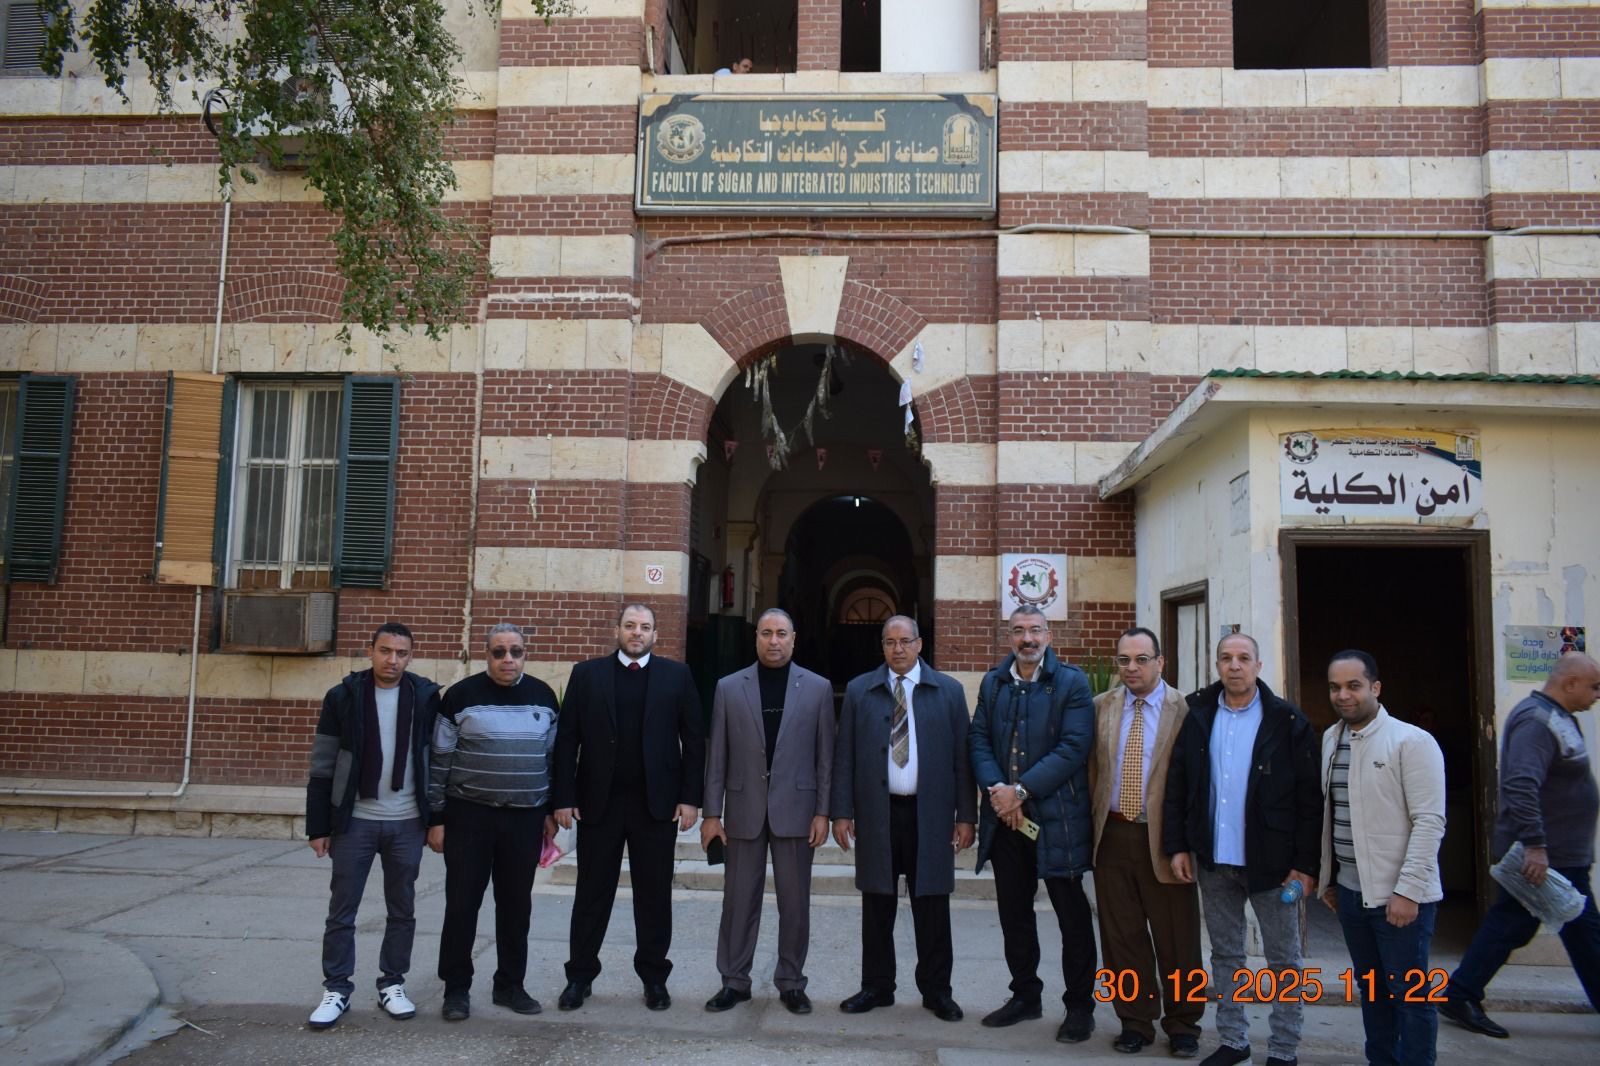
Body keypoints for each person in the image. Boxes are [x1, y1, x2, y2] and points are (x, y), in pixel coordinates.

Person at [1163, 633, 1321, 1066]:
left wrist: (1305, 865)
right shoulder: (1198, 714)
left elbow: (1310, 800)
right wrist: (1178, 846)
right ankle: (1234, 1042)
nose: (1234, 665)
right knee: (1227, 956)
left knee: (1284, 960)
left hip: (1274, 867)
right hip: (1215, 862)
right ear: (1217, 665)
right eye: (1226, 658)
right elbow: (1179, 783)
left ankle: (1284, 1049)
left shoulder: (1287, 720)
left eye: (1244, 658)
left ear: (1258, 665)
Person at [553, 603, 705, 1012]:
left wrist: (691, 798)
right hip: (597, 805)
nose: (637, 633)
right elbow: (567, 739)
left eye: (645, 627)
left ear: (656, 634)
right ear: (617, 630)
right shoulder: (587, 675)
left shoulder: (677, 676)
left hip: (656, 807)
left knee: (653, 897)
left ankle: (654, 979)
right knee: (591, 894)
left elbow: (694, 740)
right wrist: (564, 797)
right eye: (630, 625)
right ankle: (579, 977)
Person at [1441, 651, 1600, 1038]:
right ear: (1570, 683)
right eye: (1594, 686)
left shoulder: (1560, 717)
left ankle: (1460, 993)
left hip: (1560, 857)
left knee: (1518, 926)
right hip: (1547, 860)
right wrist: (1535, 845)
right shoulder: (1536, 721)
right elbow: (1521, 784)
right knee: (1582, 932)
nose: (1597, 695)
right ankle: (1459, 994)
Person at [831, 614, 977, 1021]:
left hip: (930, 815)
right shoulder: (860, 690)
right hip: (877, 813)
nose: (898, 649)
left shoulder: (948, 691)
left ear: (919, 644)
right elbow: (844, 757)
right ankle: (876, 987)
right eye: (890, 642)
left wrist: (966, 816)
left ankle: (937, 991)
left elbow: (962, 760)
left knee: (932, 904)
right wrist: (841, 812)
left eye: (905, 641)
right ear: (882, 646)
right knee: (877, 904)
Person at [969, 606, 1097, 1042]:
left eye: (1035, 630)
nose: (1028, 638)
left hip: (1058, 821)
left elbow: (1073, 747)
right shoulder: (994, 682)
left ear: (1048, 634)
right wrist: (999, 792)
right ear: (1009, 637)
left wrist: (1020, 792)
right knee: (1014, 913)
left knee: (1071, 917)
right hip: (1008, 820)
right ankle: (1025, 995)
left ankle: (1079, 1006)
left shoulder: (1072, 682)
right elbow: (979, 739)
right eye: (1019, 631)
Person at [305, 622, 441, 1030]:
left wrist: (437, 820)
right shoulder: (343, 696)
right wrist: (318, 826)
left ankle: (392, 984)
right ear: (370, 651)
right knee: (342, 910)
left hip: (407, 822)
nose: (392, 660)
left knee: (402, 909)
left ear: (411, 656)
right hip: (355, 822)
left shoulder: (426, 697)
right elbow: (323, 764)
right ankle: (336, 988)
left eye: (401, 653)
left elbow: (437, 761)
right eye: (385, 651)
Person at [701, 608, 835, 1014]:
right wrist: (712, 814)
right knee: (738, 901)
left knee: (795, 904)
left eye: (781, 634)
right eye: (765, 633)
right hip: (744, 809)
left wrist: (823, 812)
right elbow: (717, 755)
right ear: (755, 637)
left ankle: (791, 982)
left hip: (797, 810)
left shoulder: (818, 688)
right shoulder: (728, 687)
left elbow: (825, 757)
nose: (773, 641)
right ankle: (734, 981)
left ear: (794, 639)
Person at [1318, 650, 1447, 1066]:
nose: (1343, 695)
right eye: (1335, 687)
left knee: (1410, 997)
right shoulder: (1331, 739)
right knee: (1373, 993)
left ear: (1375, 687)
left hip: (1399, 900)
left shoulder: (1411, 742)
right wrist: (1331, 880)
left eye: (1353, 686)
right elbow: (1332, 814)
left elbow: (1429, 822)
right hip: (1351, 896)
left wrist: (1407, 891)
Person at [428, 622, 559, 1022]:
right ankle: (456, 989)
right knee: (462, 904)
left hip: (525, 818)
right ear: (486, 655)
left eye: (515, 651)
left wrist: (549, 811)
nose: (507, 659)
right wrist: (436, 818)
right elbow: (439, 760)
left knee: (516, 907)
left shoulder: (544, 697)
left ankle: (510, 985)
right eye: (498, 652)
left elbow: (553, 760)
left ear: (525, 654)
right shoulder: (460, 696)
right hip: (469, 816)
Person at [1090, 627, 1204, 1058]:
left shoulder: (1185, 710)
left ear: (1160, 662)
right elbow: (1092, 770)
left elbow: (1194, 782)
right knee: (1122, 938)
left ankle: (1184, 1024)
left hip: (1165, 839)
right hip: (1112, 835)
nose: (1131, 668)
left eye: (1141, 659)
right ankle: (1135, 1022)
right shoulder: (1101, 706)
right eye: (1124, 660)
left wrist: (1185, 843)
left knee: (1178, 939)